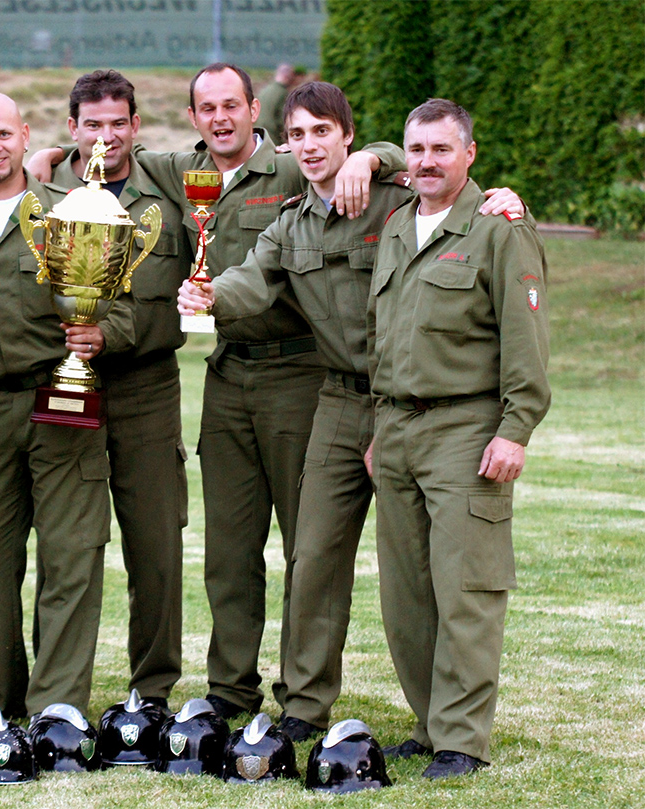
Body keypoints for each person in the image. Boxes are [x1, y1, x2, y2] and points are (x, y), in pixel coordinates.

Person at [178, 83, 524, 742]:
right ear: (286, 145)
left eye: (323, 132)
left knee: (428, 571)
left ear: (347, 135)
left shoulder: (397, 200)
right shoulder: (290, 222)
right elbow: (253, 278)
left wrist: (385, 161)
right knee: (313, 555)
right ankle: (304, 704)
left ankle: (444, 722)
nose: (310, 146)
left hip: (413, 404)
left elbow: (445, 188)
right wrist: (208, 295)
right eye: (298, 135)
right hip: (338, 401)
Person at [58, 63, 402, 726]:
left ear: (253, 109)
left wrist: (372, 158)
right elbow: (104, 146)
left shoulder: (294, 165)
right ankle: (230, 689)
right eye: (207, 108)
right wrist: (44, 157)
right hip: (226, 376)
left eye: (231, 106)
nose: (220, 119)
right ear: (193, 118)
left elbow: (394, 161)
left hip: (300, 375)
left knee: (309, 551)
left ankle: (304, 696)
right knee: (229, 552)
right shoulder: (179, 171)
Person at [0, 92, 130, 725]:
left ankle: (55, 704)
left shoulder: (72, 210)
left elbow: (121, 300)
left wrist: (101, 335)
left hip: (65, 399)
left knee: (70, 557)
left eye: (4, 134)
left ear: (26, 136)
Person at [366, 98, 549, 779]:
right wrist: (378, 428)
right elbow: (382, 334)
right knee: (406, 595)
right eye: (417, 149)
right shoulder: (396, 227)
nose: (427, 162)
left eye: (442, 149)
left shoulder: (499, 229)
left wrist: (516, 428)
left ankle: (462, 741)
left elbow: (526, 338)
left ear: (469, 154)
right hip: (397, 428)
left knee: (466, 590)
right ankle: (430, 723)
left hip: (465, 429)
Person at [49, 70, 192, 709]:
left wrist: (376, 158)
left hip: (147, 386)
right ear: (72, 127)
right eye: (92, 125)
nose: (104, 137)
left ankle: (153, 688)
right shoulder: (45, 191)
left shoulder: (172, 187)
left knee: (156, 544)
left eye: (117, 123)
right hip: (67, 386)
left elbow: (260, 161)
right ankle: (57, 696)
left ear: (136, 125)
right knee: (68, 547)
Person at [254, 63, 305, 143]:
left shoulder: (264, 90)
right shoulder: (282, 93)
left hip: (260, 135)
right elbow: (283, 119)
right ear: (287, 76)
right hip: (273, 137)